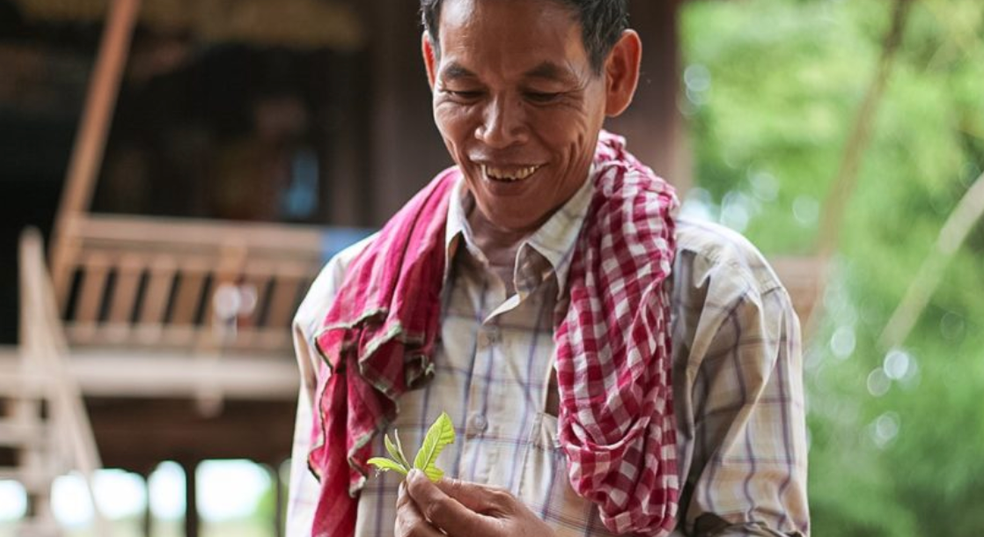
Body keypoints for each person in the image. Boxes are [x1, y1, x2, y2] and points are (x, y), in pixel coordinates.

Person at [287, 0, 809, 535]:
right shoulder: (349, 308)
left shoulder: (717, 298)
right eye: (465, 92)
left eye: (541, 94)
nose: (496, 131)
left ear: (617, 74)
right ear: (430, 67)